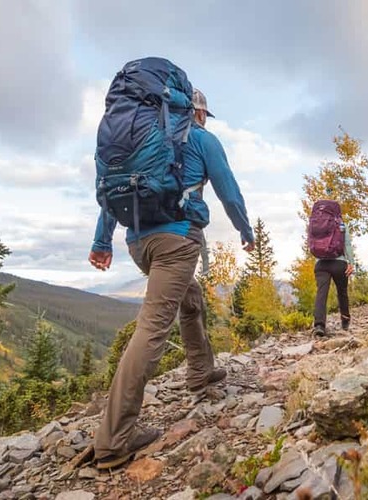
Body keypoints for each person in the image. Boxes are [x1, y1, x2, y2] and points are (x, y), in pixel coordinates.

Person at [88, 88, 255, 469]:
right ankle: (114, 439)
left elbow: (116, 190)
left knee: (189, 298)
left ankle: (200, 370)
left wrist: (102, 240)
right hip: (177, 240)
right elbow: (228, 189)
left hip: (138, 242)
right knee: (153, 328)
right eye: (203, 114)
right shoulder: (201, 139)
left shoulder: (140, 141)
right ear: (198, 112)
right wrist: (245, 229)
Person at [311, 193, 354, 336]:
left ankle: (319, 325)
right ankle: (345, 320)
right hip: (339, 263)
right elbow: (347, 244)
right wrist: (351, 263)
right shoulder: (341, 224)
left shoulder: (314, 224)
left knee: (321, 293)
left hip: (321, 263)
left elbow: (312, 244)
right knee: (342, 292)